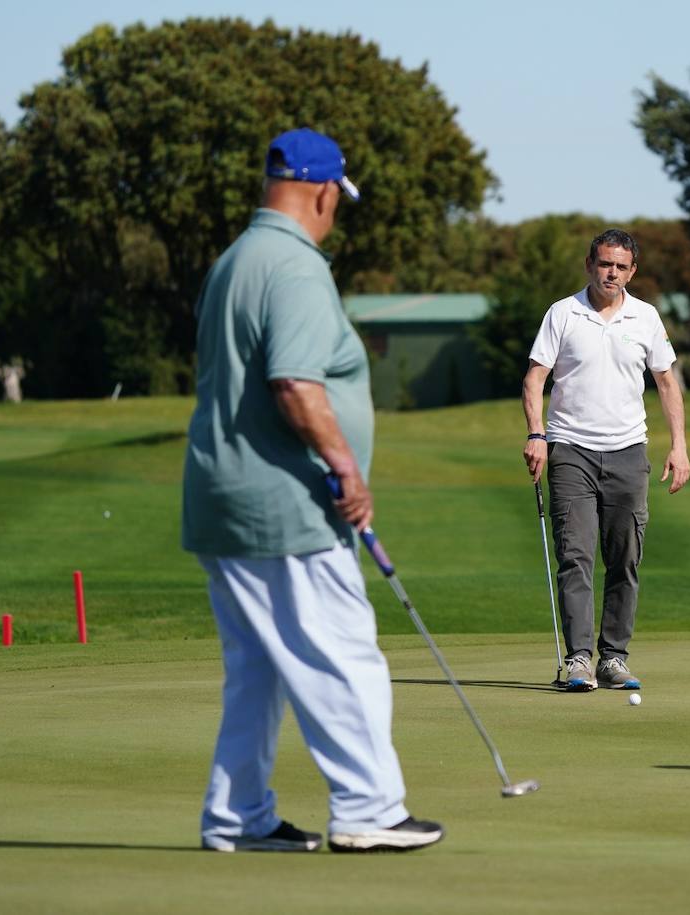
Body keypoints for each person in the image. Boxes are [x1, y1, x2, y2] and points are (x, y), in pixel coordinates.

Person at [183, 128, 442, 852]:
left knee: (258, 669)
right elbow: (296, 384)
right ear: (324, 190)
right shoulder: (295, 267)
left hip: (224, 499)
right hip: (285, 502)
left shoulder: (235, 260)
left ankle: (238, 815)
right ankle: (368, 805)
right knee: (343, 650)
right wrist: (347, 470)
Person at [522, 228, 690, 691]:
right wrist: (537, 433)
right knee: (574, 554)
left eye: (620, 266)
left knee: (625, 557)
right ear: (590, 265)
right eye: (603, 264)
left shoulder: (646, 317)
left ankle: (613, 659)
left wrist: (678, 446)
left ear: (632, 271)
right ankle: (578, 659)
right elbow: (535, 378)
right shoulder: (563, 314)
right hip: (570, 448)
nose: (610, 272)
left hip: (628, 451)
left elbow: (667, 384)